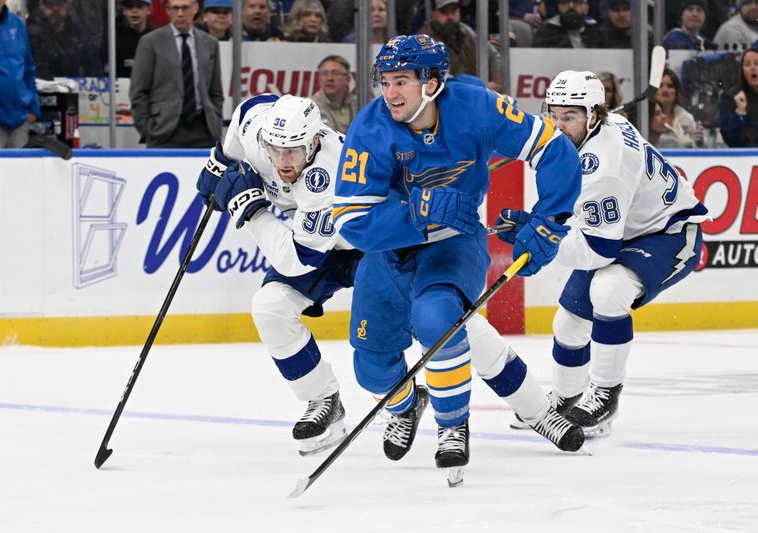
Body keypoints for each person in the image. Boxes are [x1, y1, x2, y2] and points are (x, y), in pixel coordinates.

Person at [331, 35, 584, 476]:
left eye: (402, 82)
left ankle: (453, 425)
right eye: (385, 82)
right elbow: (353, 223)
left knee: (437, 320)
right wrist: (416, 211)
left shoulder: (477, 107)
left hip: (452, 246)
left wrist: (551, 217)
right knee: (370, 369)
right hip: (389, 257)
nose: (391, 93)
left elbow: (553, 148)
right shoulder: (369, 130)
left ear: (431, 82)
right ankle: (408, 405)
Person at [508, 70, 709, 438]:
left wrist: (539, 236)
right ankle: (566, 399)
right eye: (553, 114)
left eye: (568, 117)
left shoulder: (605, 168)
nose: (558, 125)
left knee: (608, 289)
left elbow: (599, 251)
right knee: (568, 322)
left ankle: (604, 395)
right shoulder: (602, 123)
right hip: (624, 231)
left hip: (670, 233)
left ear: (593, 116)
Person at [195, 94, 358, 455]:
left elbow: (298, 260)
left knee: (426, 321)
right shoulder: (257, 127)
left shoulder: (330, 174)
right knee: (270, 307)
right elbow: (245, 114)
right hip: (316, 242)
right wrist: (221, 161)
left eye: (294, 152)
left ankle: (514, 394)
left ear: (315, 141)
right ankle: (324, 402)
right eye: (275, 150)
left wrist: (251, 210)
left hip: (371, 244)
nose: (282, 161)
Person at [130, 0, 223, 148]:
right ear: (168, 10)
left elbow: (215, 90)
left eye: (185, 8)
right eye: (175, 8)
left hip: (204, 129)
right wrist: (147, 128)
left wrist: (215, 119)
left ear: (195, 8)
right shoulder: (151, 41)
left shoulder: (210, 43)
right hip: (164, 129)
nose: (180, 14)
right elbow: (139, 90)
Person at [0, 0, 40, 149]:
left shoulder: (17, 24)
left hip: (20, 122)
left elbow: (28, 69)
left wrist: (33, 108)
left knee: (20, 172)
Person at [418, 0, 502, 91]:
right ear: (433, 14)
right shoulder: (425, 40)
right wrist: (480, 86)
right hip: (444, 98)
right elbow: (440, 77)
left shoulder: (467, 31)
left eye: (454, 11)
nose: (450, 17)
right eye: (444, 12)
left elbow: (494, 55)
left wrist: (496, 85)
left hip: (473, 95)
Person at [26, 0, 101, 79]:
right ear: (41, 5)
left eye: (59, 3)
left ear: (69, 5)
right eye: (49, 4)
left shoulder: (78, 31)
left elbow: (93, 65)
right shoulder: (30, 33)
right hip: (41, 88)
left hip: (73, 87)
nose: (55, 9)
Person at [718, 48, 758, 146]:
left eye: (757, 63)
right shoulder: (731, 97)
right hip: (748, 157)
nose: (752, 68)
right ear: (743, 71)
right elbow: (729, 137)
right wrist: (740, 112)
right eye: (747, 64)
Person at [656, 68, 705, 147]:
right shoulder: (647, 119)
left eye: (670, 86)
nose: (665, 90)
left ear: (677, 91)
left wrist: (700, 143)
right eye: (660, 86)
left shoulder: (687, 118)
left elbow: (695, 150)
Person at [311, 55, 358, 134]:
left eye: (335, 73)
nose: (329, 78)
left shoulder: (357, 104)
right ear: (319, 79)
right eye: (325, 73)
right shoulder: (312, 106)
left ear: (348, 79)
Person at [109, 0, 153, 78]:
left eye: (139, 6)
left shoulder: (157, 38)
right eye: (129, 6)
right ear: (124, 11)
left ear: (149, 10)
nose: (134, 11)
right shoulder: (114, 40)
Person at [532, 0, 601, 48]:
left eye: (577, 1)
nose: (571, 6)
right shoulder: (546, 32)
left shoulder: (596, 30)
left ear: (586, 8)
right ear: (559, 7)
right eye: (565, 1)